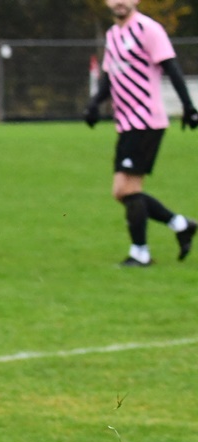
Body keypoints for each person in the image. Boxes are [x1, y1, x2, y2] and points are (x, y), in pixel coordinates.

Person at [85, 0, 198, 267]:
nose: (119, 2)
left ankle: (141, 253)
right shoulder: (113, 35)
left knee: (127, 188)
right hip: (126, 122)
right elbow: (110, 77)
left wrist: (189, 107)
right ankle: (180, 224)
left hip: (147, 120)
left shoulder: (149, 29)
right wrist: (93, 105)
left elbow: (172, 68)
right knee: (121, 191)